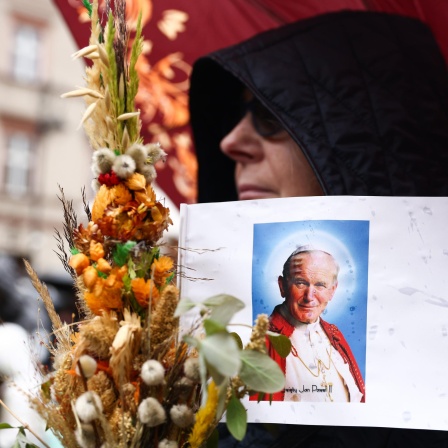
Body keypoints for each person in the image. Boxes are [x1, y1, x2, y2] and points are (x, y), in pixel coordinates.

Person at [189, 9, 448, 448]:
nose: (230, 142)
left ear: (362, 135)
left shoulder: (348, 346)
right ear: (281, 283)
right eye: (299, 281)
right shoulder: (197, 345)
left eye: (270, 114)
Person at [264, 246, 364, 403]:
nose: (310, 296)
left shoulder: (335, 335)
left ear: (332, 290)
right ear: (282, 286)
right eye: (301, 283)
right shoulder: (263, 341)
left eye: (320, 285)